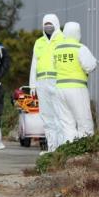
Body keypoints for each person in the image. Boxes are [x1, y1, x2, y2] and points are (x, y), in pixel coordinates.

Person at [54, 22, 97, 145]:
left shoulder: (58, 49)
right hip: (76, 88)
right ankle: (84, 148)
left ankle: (69, 149)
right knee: (84, 121)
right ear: (77, 33)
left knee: (66, 122)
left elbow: (55, 66)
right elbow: (89, 66)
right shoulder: (80, 48)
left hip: (60, 89)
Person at [29, 14, 63, 153]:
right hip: (42, 82)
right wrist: (32, 84)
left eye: (50, 23)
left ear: (56, 23)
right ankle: (51, 148)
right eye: (45, 24)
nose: (48, 26)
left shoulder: (63, 39)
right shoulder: (39, 42)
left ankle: (61, 148)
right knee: (47, 117)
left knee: (59, 116)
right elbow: (34, 64)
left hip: (58, 82)